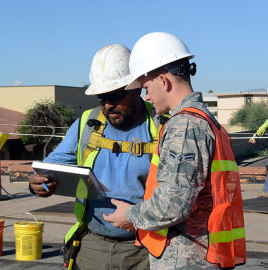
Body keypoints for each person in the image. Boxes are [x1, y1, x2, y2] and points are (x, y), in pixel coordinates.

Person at [104, 32, 246, 269]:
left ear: (164, 81)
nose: (146, 97)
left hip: (185, 257)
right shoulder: (205, 120)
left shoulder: (185, 125)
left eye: (146, 87)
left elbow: (172, 205)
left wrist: (129, 215)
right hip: (199, 254)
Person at [29, 44, 167, 270]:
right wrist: (39, 184)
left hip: (145, 249)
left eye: (116, 95)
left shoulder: (163, 127)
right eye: (102, 97)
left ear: (136, 89)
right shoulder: (87, 123)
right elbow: (50, 168)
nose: (108, 105)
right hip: (93, 246)